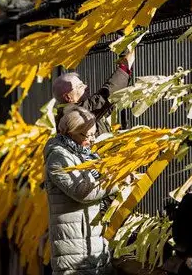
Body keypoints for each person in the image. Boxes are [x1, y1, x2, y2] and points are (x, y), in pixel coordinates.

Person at [44, 106, 122, 275]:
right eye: (88, 135)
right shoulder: (58, 157)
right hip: (74, 253)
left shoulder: (86, 154)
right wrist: (117, 182)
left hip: (91, 244)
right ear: (70, 132)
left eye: (94, 134)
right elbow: (82, 191)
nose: (92, 140)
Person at [52, 51, 135, 137]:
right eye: (80, 86)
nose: (86, 87)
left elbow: (106, 106)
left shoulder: (69, 111)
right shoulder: (74, 114)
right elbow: (104, 98)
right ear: (68, 97)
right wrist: (124, 68)